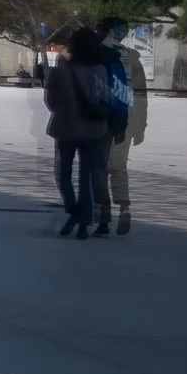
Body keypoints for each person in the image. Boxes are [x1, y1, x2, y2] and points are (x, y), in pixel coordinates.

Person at [43, 28, 115, 236]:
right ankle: (84, 221)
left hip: (66, 127)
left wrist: (66, 111)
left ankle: (72, 208)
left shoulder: (60, 71)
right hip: (93, 129)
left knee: (63, 172)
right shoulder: (100, 70)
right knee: (86, 176)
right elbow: (106, 99)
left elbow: (51, 101)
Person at [98, 18, 148, 235]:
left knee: (99, 166)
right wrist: (141, 125)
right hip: (126, 116)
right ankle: (124, 207)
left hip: (100, 117)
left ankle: (102, 209)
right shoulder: (132, 58)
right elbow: (141, 95)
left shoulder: (97, 54)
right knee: (119, 167)